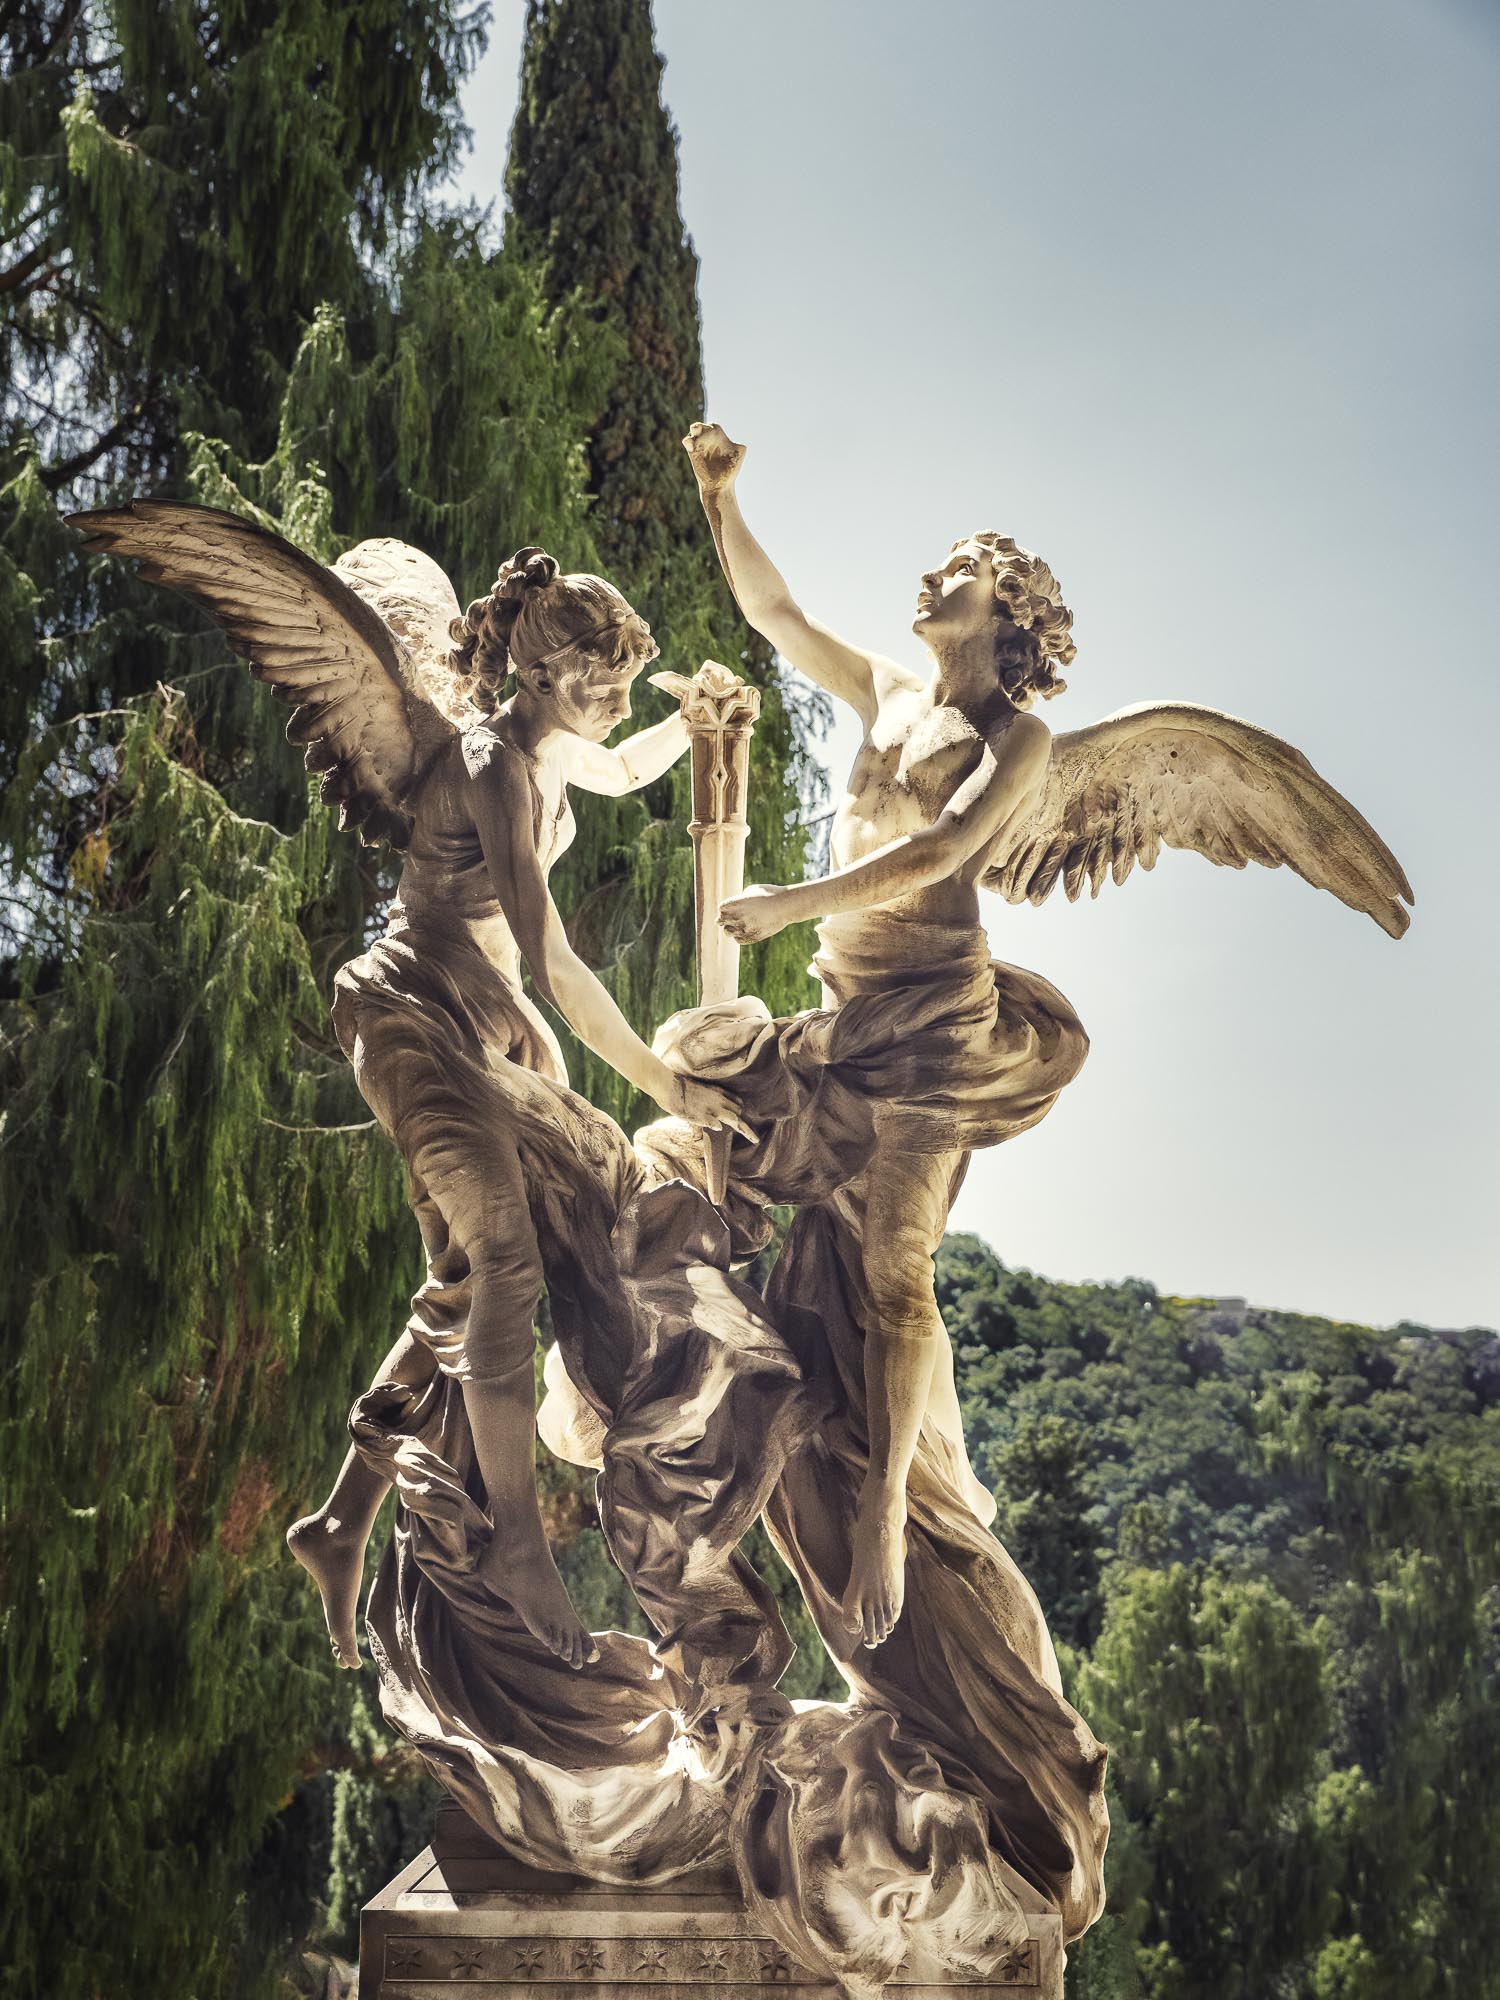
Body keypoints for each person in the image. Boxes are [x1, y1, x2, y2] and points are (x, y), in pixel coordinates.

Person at [287, 547, 748, 1671]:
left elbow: (620, 768)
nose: (619, 698)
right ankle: (518, 1544)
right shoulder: (491, 764)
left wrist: (692, 724)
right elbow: (551, 957)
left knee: (467, 1277)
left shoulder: (549, 749)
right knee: (505, 1257)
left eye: (628, 679)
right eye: (605, 679)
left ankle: (341, 1518)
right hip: (414, 1011)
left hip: (481, 1025)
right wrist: (660, 1081)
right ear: (543, 674)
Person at [681, 425, 1089, 1650]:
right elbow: (775, 613)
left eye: (959, 568)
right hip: (844, 1014)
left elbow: (940, 851)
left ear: (1006, 610)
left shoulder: (1018, 738)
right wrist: (721, 500)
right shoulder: (889, 692)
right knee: (703, 1111)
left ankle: (885, 1517)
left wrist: (787, 904)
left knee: (898, 1270)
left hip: (932, 1027)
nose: (931, 574)